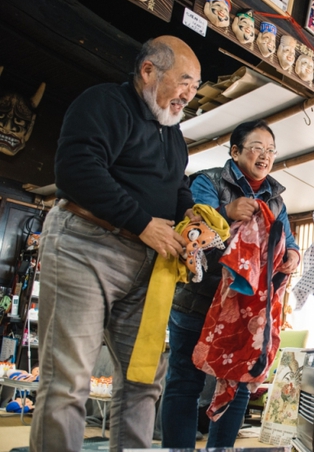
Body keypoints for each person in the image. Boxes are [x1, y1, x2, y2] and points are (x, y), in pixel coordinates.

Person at [30, 36, 202, 452]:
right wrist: (144, 223)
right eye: (184, 82)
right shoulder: (104, 102)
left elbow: (176, 188)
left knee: (144, 381)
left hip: (148, 264)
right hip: (85, 247)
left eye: (195, 88)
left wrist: (194, 221)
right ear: (148, 71)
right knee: (69, 381)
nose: (188, 96)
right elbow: (76, 170)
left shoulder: (173, 135)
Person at [161, 119, 301, 449]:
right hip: (196, 299)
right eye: (256, 148)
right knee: (184, 382)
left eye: (270, 150)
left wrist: (293, 256)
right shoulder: (207, 181)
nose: (264, 156)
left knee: (239, 380)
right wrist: (227, 211)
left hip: (244, 309)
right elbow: (191, 229)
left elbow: (289, 241)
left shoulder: (276, 200)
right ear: (235, 152)